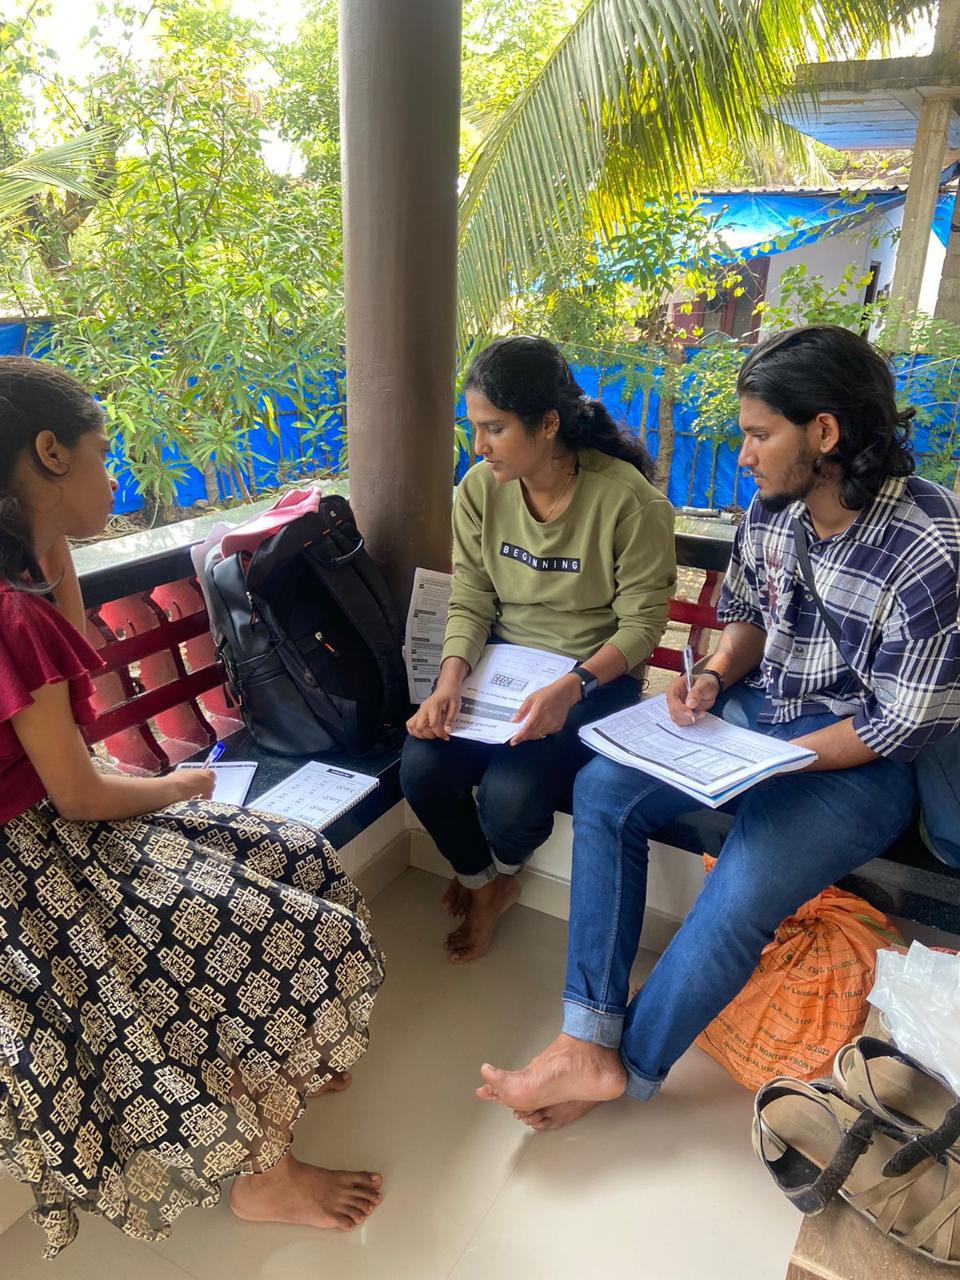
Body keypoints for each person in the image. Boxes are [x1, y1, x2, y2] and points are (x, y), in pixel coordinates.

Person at [475, 324, 960, 1129]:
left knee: (739, 889)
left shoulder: (928, 546)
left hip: (863, 761)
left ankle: (621, 1068)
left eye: (759, 434)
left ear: (825, 432)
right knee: (604, 789)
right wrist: (711, 676)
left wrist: (774, 761)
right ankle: (586, 1038)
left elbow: (898, 727)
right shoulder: (775, 508)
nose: (743, 455)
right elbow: (746, 617)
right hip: (759, 713)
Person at [0, 357, 385, 1257]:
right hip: (33, 869)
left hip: (60, 829)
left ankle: (285, 1069)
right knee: (282, 935)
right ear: (50, 452)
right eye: (103, 454)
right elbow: (79, 792)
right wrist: (179, 783)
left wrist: (52, 537)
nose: (114, 477)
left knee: (293, 855)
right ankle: (261, 1180)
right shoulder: (9, 615)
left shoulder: (24, 586)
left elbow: (65, 650)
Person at [401, 336, 676, 963]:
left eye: (494, 428)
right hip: (502, 666)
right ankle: (485, 882)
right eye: (474, 427)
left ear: (548, 425)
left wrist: (572, 687)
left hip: (593, 677)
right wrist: (449, 682)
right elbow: (472, 596)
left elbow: (641, 626)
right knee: (422, 766)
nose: (479, 445)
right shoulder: (480, 490)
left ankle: (495, 873)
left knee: (512, 796)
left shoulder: (628, 502)